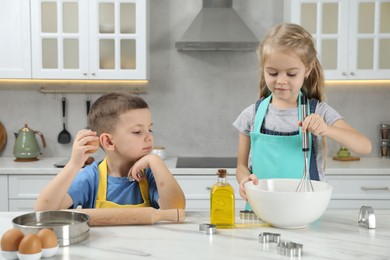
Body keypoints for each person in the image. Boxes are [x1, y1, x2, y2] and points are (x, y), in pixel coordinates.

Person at [233, 23, 372, 202]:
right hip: (260, 210)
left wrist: (327, 129)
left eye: (291, 74)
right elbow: (241, 166)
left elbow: (364, 146)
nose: (281, 81)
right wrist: (244, 179)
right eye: (273, 73)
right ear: (263, 69)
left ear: (307, 69)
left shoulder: (319, 111)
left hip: (306, 212)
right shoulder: (251, 115)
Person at [36, 92, 185, 211]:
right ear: (108, 141)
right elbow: (43, 211)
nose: (149, 137)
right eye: (137, 131)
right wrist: (74, 164)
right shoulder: (91, 178)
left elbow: (176, 209)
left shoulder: (151, 174)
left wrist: (155, 160)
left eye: (150, 129)